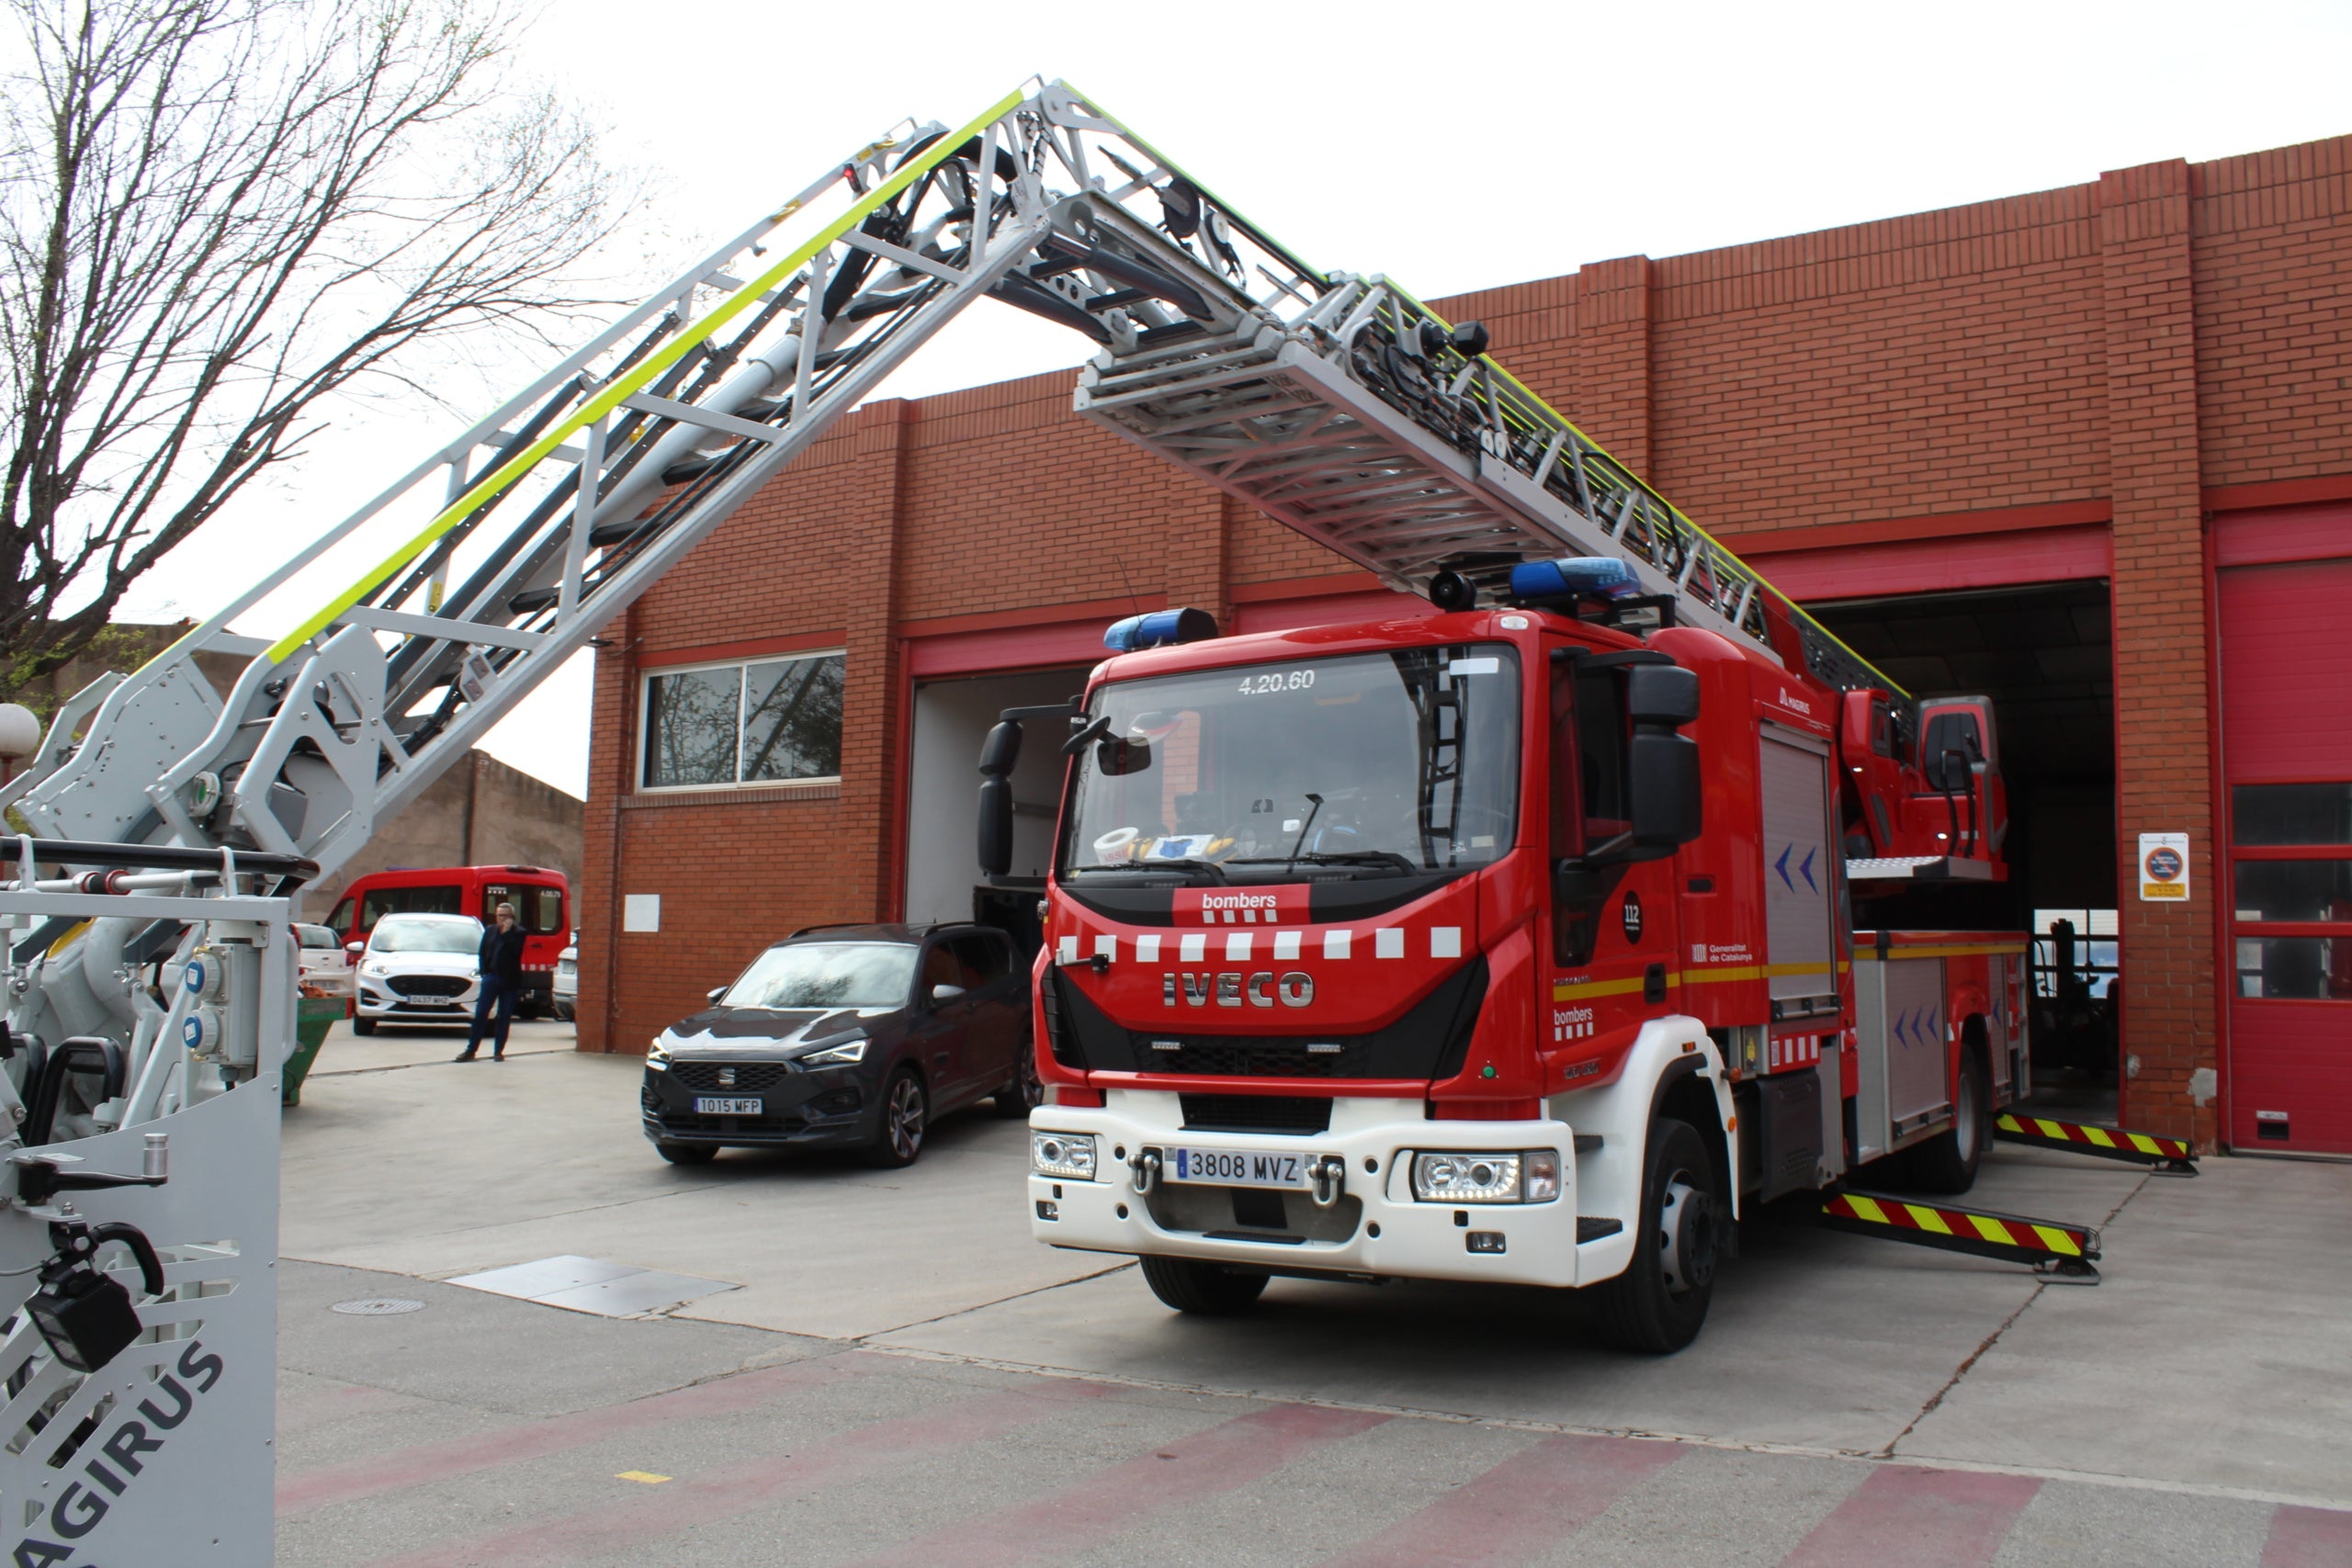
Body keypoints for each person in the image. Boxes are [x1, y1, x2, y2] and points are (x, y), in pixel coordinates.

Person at [458, 903, 526, 1062]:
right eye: (499, 915)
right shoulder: (490, 931)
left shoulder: (519, 932)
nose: (502, 918)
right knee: (481, 1013)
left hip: (509, 979)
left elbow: (516, 951)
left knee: (504, 1015)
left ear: (512, 917)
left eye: (505, 915)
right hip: (491, 977)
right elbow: (482, 952)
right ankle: (471, 1050)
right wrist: (484, 973)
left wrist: (507, 933)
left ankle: (498, 1051)